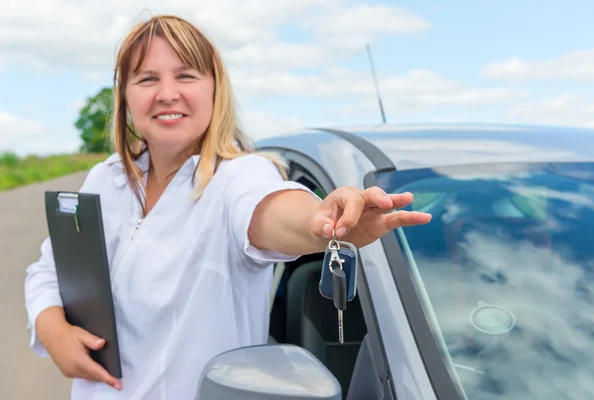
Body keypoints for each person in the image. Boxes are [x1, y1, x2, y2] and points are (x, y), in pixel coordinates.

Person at [24, 14, 431, 399]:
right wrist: (50, 325)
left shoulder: (237, 177)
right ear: (125, 95)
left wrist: (318, 222)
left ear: (215, 89)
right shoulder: (105, 178)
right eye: (147, 78)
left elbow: (269, 213)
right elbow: (48, 269)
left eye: (186, 75)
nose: (167, 93)